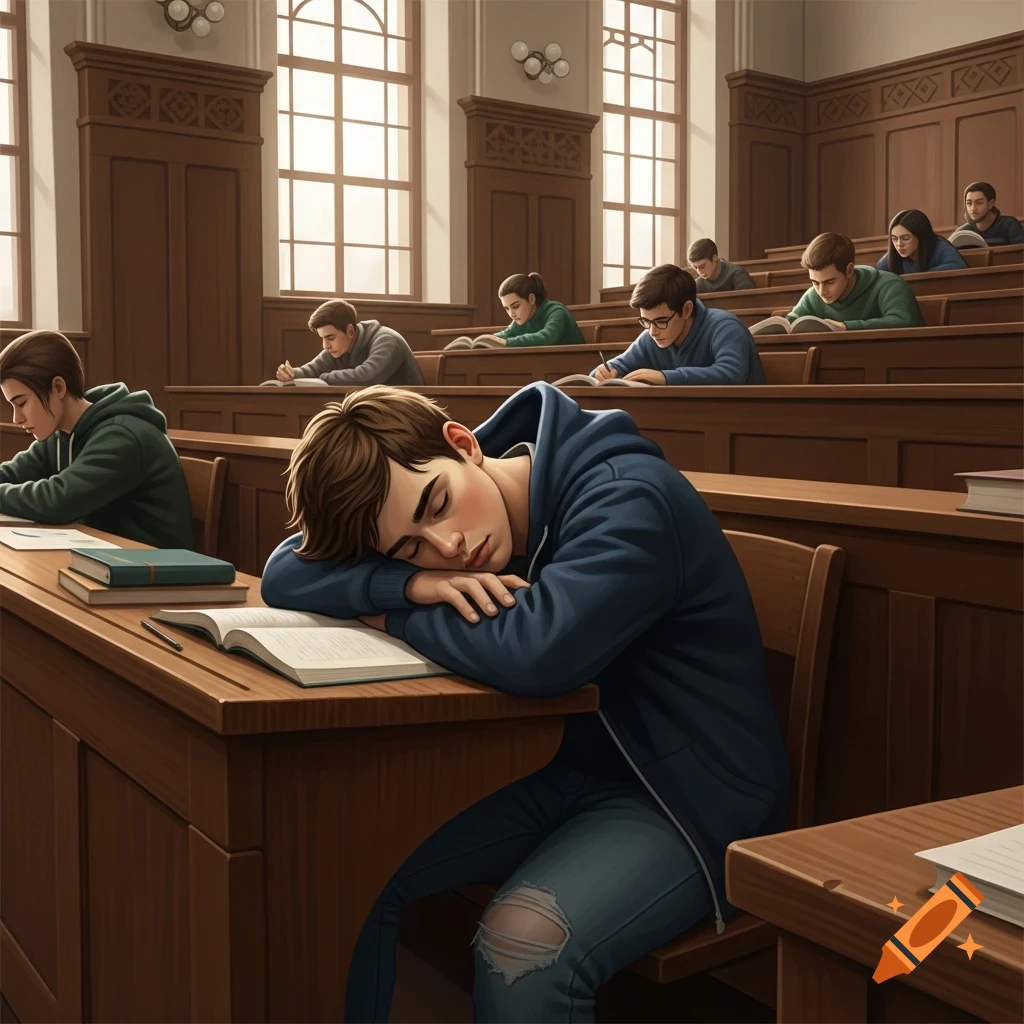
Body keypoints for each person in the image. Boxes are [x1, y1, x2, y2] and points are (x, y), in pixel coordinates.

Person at [260, 382, 788, 1022]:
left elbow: (538, 650)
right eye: (411, 544)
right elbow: (286, 569)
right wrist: (412, 583)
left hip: (688, 796)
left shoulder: (628, 494)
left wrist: (390, 616)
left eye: (438, 505)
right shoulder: (447, 483)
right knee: (355, 865)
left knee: (521, 947)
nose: (448, 547)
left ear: (463, 444)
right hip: (560, 763)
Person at [0, 330, 194, 548]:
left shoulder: (122, 436)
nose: (17, 418)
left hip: (159, 569)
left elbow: (59, 500)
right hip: (109, 560)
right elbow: (11, 474)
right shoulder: (60, 434)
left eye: (22, 403)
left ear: (58, 388)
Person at [593, 264, 765, 385]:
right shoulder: (650, 336)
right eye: (646, 321)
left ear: (687, 310)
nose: (652, 332)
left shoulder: (726, 327)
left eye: (661, 321)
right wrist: (603, 372)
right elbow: (617, 366)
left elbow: (731, 373)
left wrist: (666, 378)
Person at [787, 233, 924, 331]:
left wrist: (846, 327)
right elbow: (790, 322)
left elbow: (905, 322)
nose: (821, 292)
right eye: (815, 282)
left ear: (849, 270)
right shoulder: (812, 296)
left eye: (830, 282)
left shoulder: (890, 285)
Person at [275, 299, 423, 386]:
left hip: (408, 415)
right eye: (322, 338)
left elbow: (367, 376)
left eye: (330, 338)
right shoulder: (339, 348)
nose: (325, 346)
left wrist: (323, 378)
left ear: (350, 331)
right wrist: (292, 374)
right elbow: (312, 370)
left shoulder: (387, 341)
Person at [495, 273, 585, 347]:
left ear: (531, 299)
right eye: (507, 308)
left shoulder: (557, 311)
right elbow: (506, 334)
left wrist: (507, 343)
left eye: (516, 306)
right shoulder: (522, 318)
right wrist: (486, 340)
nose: (511, 314)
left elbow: (547, 337)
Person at [876, 209, 966, 275]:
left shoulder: (940, 249)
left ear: (921, 235)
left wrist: (923, 276)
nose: (899, 244)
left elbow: (959, 267)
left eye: (906, 238)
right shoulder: (889, 259)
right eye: (894, 239)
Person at [956, 182, 1024, 246]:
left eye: (979, 203)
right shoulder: (963, 232)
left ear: (991, 203)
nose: (973, 208)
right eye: (969, 203)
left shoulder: (1009, 224)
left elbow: (1021, 252)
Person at [687, 238, 756, 293]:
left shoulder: (737, 275)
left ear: (714, 258)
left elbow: (748, 302)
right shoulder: (698, 284)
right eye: (695, 267)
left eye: (702, 266)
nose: (699, 271)